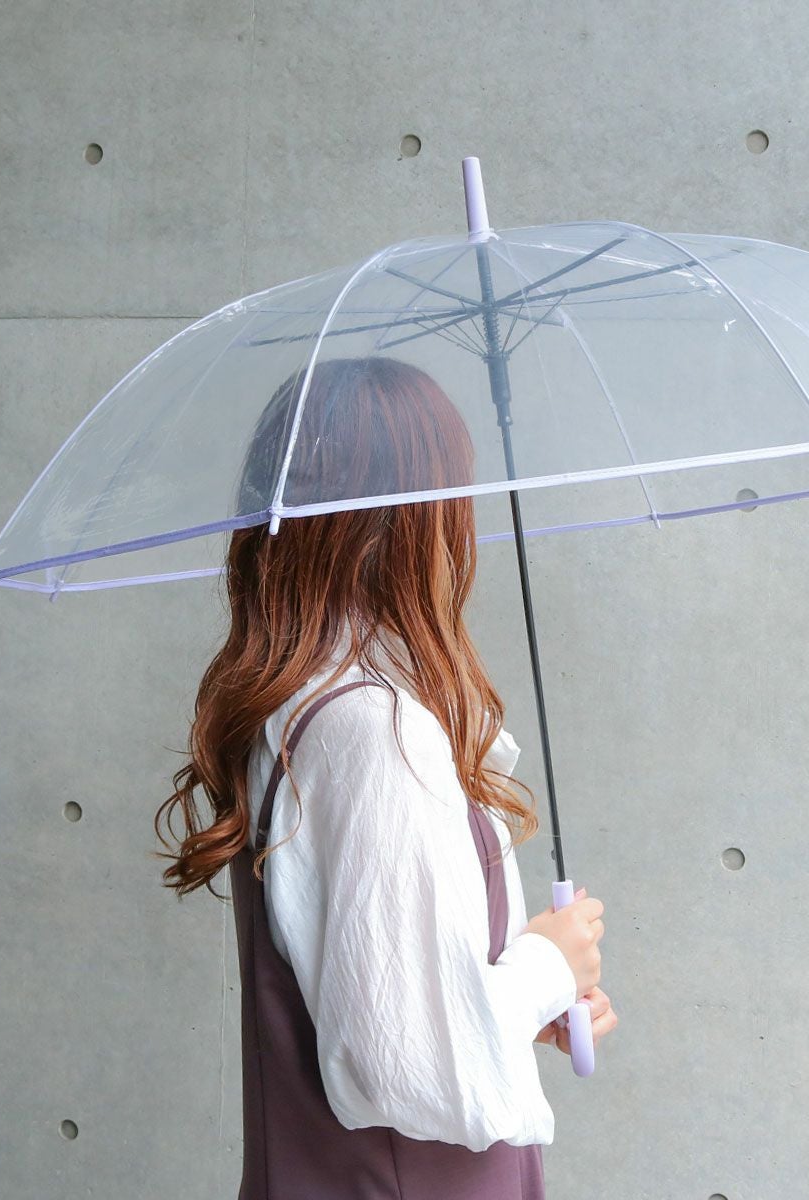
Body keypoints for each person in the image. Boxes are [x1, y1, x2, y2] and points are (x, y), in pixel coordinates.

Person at [155, 355, 616, 1199]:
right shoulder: (373, 730)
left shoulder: (305, 704)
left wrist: (513, 1003)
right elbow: (400, 1064)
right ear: (412, 517)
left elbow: (375, 1002)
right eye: (452, 491)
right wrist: (548, 966)